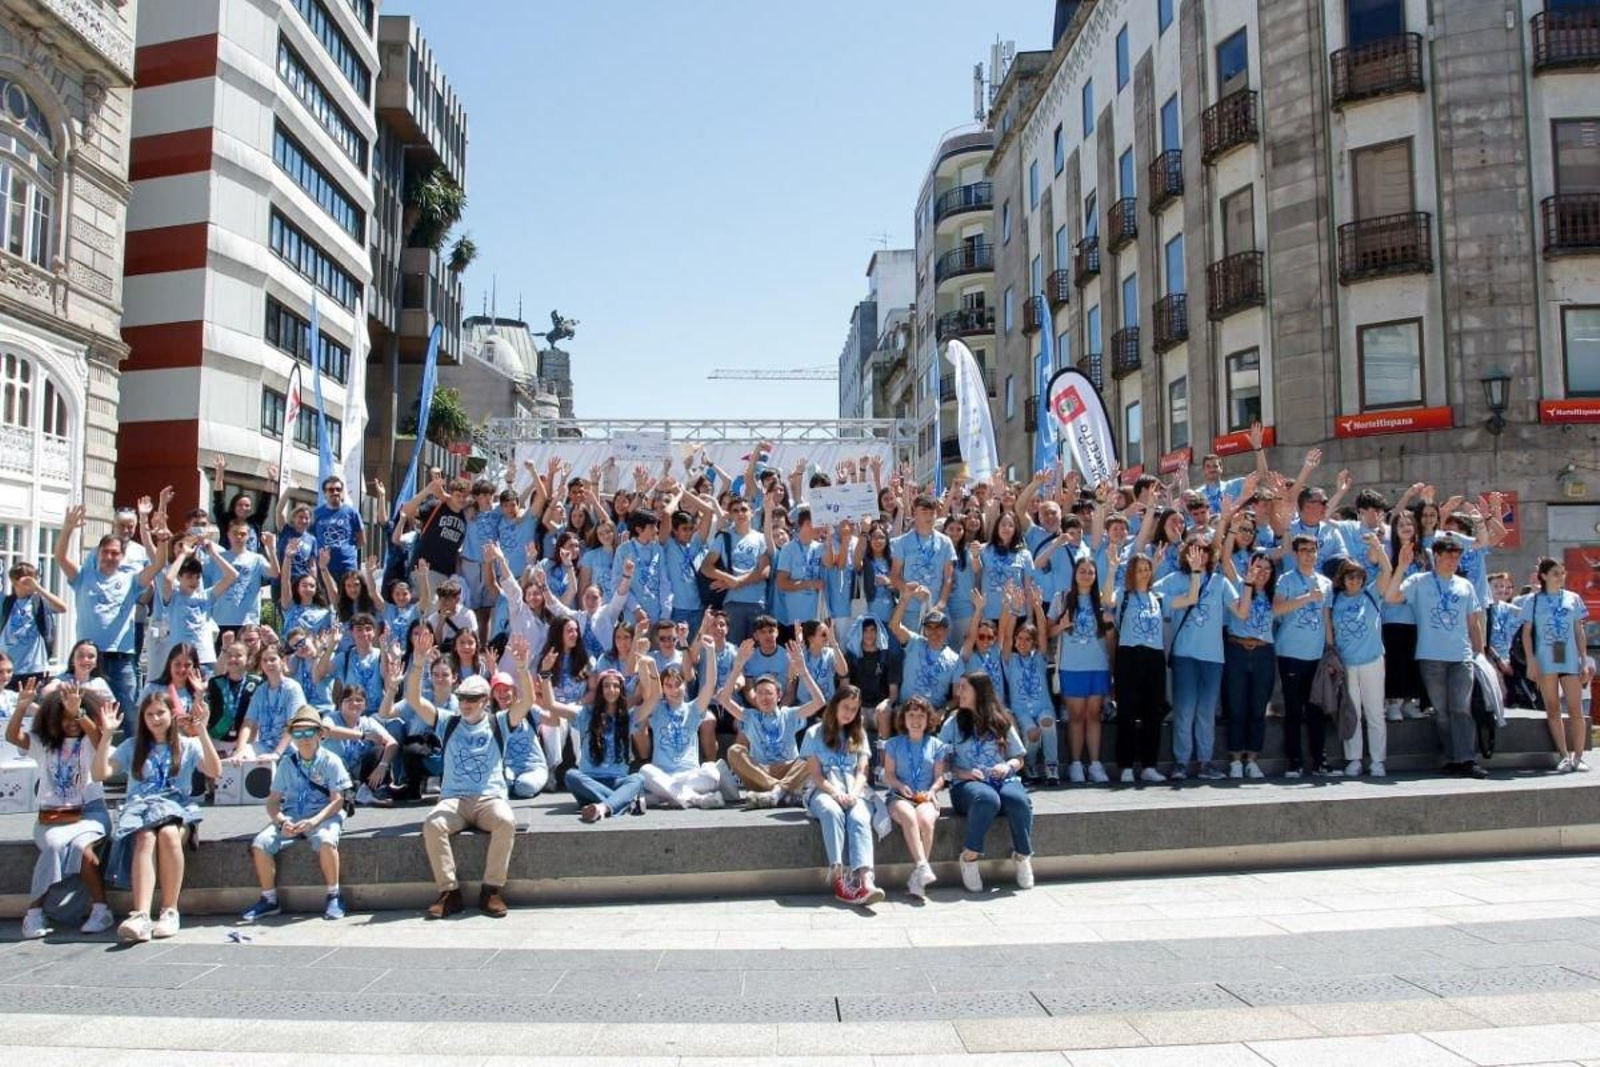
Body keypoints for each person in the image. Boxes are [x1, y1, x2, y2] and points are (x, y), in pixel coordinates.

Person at [406, 628, 535, 919]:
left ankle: (491, 890)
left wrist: (523, 667)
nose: (465, 704)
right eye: (462, 698)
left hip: (489, 798)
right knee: (433, 824)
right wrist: (418, 662)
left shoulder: (499, 722)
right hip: (455, 799)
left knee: (506, 821)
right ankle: (449, 893)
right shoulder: (448, 722)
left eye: (473, 699)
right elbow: (414, 698)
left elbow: (527, 702)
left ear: (485, 700)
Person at [93, 691, 222, 943]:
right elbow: (100, 774)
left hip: (177, 809)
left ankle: (169, 911)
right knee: (145, 837)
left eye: (160, 713)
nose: (155, 719)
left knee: (169, 834)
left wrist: (202, 731)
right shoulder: (132, 746)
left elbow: (215, 770)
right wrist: (107, 735)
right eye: (149, 714)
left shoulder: (187, 745)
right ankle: (141, 915)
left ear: (171, 714)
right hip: (141, 810)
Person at [9, 680, 115, 938]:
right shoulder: (43, 743)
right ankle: (34, 914)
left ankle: (101, 910)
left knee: (81, 849)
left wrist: (79, 712)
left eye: (76, 716)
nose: (71, 722)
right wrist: (21, 708)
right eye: (65, 717)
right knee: (55, 845)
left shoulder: (91, 740)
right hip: (53, 816)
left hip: (90, 812)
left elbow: (99, 738)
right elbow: (13, 737)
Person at [1385, 530, 1489, 779]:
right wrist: (1401, 567)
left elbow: (1473, 621)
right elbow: (1391, 597)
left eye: (1457, 556)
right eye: (1448, 556)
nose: (1453, 561)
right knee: (1442, 711)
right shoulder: (1419, 581)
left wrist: (1481, 653)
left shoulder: (1465, 585)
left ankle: (1467, 759)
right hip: (1430, 656)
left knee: (1460, 708)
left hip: (1461, 656)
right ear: (1437, 556)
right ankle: (1453, 758)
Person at [240, 706, 353, 922]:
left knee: (326, 841)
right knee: (260, 843)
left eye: (309, 732)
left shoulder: (331, 761)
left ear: (320, 734)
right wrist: (281, 821)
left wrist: (314, 821)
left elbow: (337, 801)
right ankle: (269, 899)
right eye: (298, 733)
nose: (304, 738)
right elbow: (273, 801)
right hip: (292, 816)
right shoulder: (287, 763)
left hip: (323, 816)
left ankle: (334, 895)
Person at [940, 672, 1033, 892]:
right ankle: (970, 857)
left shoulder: (1001, 720)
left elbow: (1019, 757)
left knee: (1018, 800)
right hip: (966, 784)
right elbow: (940, 761)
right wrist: (962, 773)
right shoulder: (953, 722)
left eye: (964, 687)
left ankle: (1022, 856)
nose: (959, 692)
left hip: (1002, 778)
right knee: (987, 799)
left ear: (979, 691)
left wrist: (1008, 766)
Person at [1157, 538, 1238, 781]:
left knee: (1206, 712)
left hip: (1213, 657)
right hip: (1185, 654)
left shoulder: (1220, 581)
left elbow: (1240, 609)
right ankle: (1181, 763)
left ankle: (1205, 762)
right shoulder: (1174, 579)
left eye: (1204, 551)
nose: (1199, 555)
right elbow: (1150, 593)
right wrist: (1156, 563)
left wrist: (1249, 583)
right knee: (1184, 710)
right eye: (1193, 550)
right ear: (1185, 553)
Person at [55, 505, 145, 715]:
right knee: (87, 713)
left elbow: (158, 566)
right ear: (97, 554)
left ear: (122, 556)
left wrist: (151, 531)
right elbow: (60, 557)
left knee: (129, 713)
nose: (109, 557)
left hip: (121, 657)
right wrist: (67, 528)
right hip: (89, 658)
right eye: (105, 552)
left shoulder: (130, 580)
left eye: (115, 553)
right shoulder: (83, 577)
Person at [799, 683, 883, 906]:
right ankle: (839, 879)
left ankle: (865, 879)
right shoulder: (813, 733)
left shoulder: (859, 734)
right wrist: (836, 793)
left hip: (854, 788)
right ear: (835, 705)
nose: (849, 713)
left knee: (859, 817)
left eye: (854, 709)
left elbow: (862, 771)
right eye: (845, 707)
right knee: (832, 811)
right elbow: (816, 776)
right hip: (824, 789)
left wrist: (853, 794)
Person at [720, 637, 826, 807]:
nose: (764, 697)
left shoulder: (789, 714)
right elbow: (724, 699)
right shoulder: (750, 716)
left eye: (768, 693)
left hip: (789, 770)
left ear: (778, 696)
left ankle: (778, 793)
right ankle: (781, 791)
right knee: (734, 751)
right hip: (761, 773)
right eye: (760, 693)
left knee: (812, 754)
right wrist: (737, 666)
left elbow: (819, 702)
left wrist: (803, 671)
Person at [635, 642, 741, 808]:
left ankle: (668, 797)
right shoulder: (656, 707)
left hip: (690, 775)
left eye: (678, 684)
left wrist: (711, 651)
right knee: (645, 771)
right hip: (663, 774)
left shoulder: (693, 708)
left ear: (685, 686)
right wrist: (643, 661)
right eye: (668, 686)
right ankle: (697, 799)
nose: (674, 689)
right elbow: (647, 687)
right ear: (662, 689)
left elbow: (710, 684)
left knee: (712, 773)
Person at [543, 668, 647, 822]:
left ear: (621, 690)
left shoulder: (628, 717)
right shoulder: (585, 714)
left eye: (616, 686)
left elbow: (654, 697)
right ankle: (623, 802)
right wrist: (546, 673)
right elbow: (551, 705)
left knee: (638, 778)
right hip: (589, 783)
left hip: (617, 782)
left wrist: (649, 666)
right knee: (571, 775)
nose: (611, 690)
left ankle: (603, 807)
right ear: (600, 690)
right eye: (606, 686)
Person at [1049, 557, 1113, 785]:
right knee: (1075, 716)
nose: (1086, 575)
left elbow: (1110, 635)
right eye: (1082, 571)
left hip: (1097, 665)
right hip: (1071, 666)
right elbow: (1048, 631)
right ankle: (1076, 763)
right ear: (1075, 573)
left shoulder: (1102, 600)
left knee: (1094, 715)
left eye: (1090, 572)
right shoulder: (1062, 598)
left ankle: (1095, 764)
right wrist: (1062, 625)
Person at [1275, 535, 1336, 778]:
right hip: (1290, 653)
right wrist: (1307, 597)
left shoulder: (1325, 582)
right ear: (1295, 554)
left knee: (1316, 710)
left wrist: (1330, 650)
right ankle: (1295, 762)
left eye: (1312, 550)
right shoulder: (1286, 579)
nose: (1309, 554)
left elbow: (1326, 618)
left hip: (1316, 655)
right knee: (1293, 710)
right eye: (1304, 550)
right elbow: (1277, 608)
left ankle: (1320, 761)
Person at [1329, 547, 1392, 777]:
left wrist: (1377, 546)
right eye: (1349, 576)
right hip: (1346, 664)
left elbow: (1387, 571)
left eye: (1358, 576)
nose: (1354, 580)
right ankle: (1353, 759)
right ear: (1342, 579)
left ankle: (1377, 760)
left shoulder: (1372, 593)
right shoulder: (1335, 600)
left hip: (1372, 660)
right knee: (1351, 712)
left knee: (1375, 712)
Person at [1524, 557, 1591, 772]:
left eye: (1562, 572)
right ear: (1543, 576)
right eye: (1555, 573)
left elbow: (1579, 631)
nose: (1560, 577)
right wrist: (1531, 661)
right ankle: (1564, 755)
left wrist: (1584, 660)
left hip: (1569, 658)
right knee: (1552, 708)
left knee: (1576, 709)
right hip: (1545, 659)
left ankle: (1579, 757)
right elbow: (1526, 633)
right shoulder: (1533, 600)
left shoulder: (1573, 598)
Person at [882, 695, 946, 899]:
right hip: (900, 796)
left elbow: (940, 777)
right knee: (909, 816)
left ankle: (918, 880)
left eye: (921, 716)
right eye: (911, 715)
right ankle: (922, 866)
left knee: (926, 821)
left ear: (928, 719)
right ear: (904, 718)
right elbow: (889, 774)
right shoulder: (893, 744)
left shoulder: (937, 745)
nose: (916, 720)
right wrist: (900, 786)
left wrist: (932, 791)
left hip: (924, 796)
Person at [1110, 556, 1167, 783]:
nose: (1144, 573)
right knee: (1127, 711)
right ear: (1131, 573)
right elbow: (1105, 598)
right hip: (1129, 654)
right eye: (1139, 569)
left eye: (1147, 569)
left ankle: (1149, 765)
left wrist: (1194, 572)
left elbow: (1191, 598)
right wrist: (1112, 568)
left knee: (1153, 712)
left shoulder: (1158, 596)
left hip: (1154, 655)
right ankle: (1125, 766)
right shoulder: (1123, 595)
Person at [1222, 549, 1277, 779]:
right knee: (1236, 707)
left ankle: (1252, 759)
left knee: (1258, 708)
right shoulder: (1238, 584)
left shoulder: (1275, 594)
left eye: (1267, 568)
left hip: (1263, 652)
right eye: (1258, 567)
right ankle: (1235, 759)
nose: (1262, 572)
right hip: (1237, 649)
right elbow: (1225, 558)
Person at [699, 495, 770, 643]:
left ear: (751, 512)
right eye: (735, 511)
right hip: (732, 603)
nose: (740, 513)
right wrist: (728, 579)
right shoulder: (723, 537)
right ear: (730, 514)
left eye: (744, 509)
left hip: (757, 602)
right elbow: (706, 566)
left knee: (756, 649)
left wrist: (737, 581)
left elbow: (764, 571)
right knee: (732, 648)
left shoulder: (761, 538)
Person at [2, 562, 66, 689]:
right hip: (8, 667)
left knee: (32, 700)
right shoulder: (5, 602)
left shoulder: (39, 602)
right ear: (15, 581)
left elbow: (62, 608)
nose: (30, 583)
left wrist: (38, 588)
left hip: (34, 666)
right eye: (27, 580)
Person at [312, 476, 364, 581]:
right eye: (331, 490)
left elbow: (361, 540)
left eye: (338, 489)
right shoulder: (316, 514)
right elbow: (311, 539)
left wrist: (346, 551)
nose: (335, 492)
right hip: (324, 567)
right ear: (324, 493)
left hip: (347, 566)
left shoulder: (352, 512)